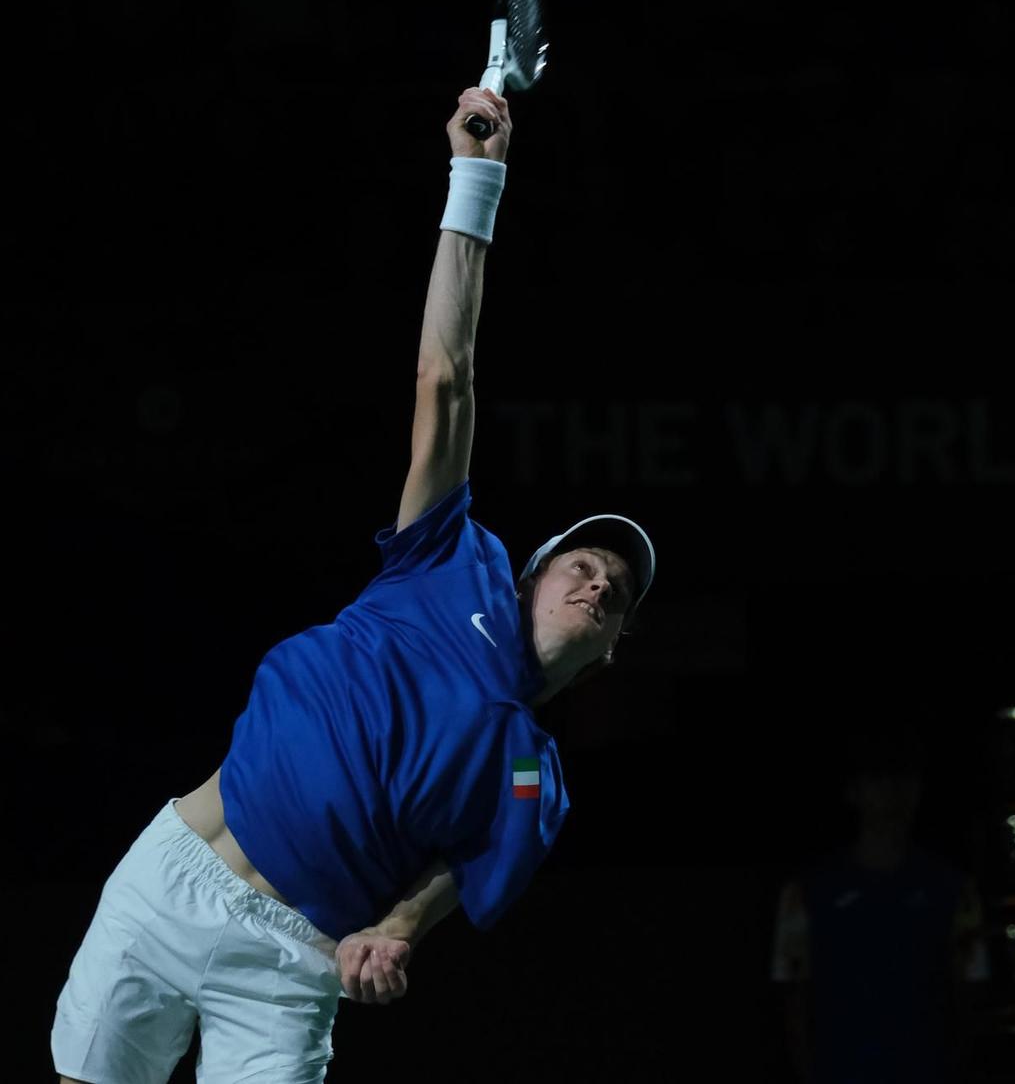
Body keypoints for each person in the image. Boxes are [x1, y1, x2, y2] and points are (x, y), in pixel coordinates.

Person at [52, 86, 658, 1084]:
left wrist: (396, 928)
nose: (597, 585)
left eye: (617, 594)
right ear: (529, 573)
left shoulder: (527, 773)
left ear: (607, 653)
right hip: (171, 880)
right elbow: (444, 375)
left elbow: (465, 866)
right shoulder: (444, 559)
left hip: (292, 964)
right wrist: (478, 178)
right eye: (583, 563)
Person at [770, 729, 988, 1084]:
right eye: (878, 779)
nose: (894, 791)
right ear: (853, 792)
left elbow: (971, 988)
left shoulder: (953, 888)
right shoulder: (808, 891)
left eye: (904, 778)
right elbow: (792, 992)